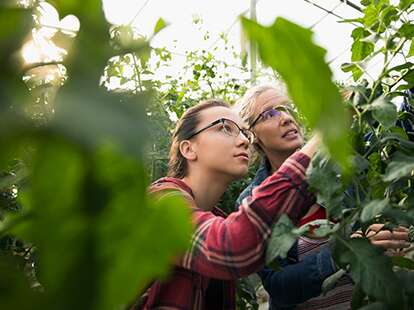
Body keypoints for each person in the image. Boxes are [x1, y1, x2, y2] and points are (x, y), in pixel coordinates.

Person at [236, 85, 411, 310]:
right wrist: (346, 252)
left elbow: (394, 137)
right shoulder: (251, 201)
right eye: (270, 114)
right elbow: (278, 286)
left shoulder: (341, 164)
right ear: (252, 135)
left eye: (287, 109)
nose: (286, 118)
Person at [136, 99, 321, 309]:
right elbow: (233, 246)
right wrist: (323, 139)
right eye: (225, 127)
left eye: (244, 132)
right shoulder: (161, 203)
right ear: (188, 149)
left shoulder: (218, 217)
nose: (244, 141)